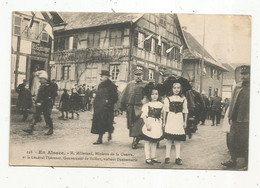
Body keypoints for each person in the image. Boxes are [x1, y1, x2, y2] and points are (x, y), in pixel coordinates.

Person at [222, 65, 250, 168]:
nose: (243, 76)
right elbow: (232, 102)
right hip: (235, 118)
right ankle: (232, 159)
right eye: (242, 74)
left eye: (246, 74)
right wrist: (229, 116)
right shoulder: (237, 86)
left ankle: (248, 162)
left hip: (247, 119)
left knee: (246, 140)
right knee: (233, 140)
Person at [120, 69, 148, 149]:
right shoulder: (130, 84)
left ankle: (135, 140)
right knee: (132, 124)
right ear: (134, 75)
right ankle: (136, 138)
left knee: (139, 124)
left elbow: (149, 95)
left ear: (142, 75)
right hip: (131, 107)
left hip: (141, 107)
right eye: (136, 75)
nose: (138, 76)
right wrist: (122, 106)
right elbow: (124, 95)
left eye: (140, 75)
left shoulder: (146, 84)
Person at [163, 81, 188, 165]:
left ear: (181, 89)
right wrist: (164, 122)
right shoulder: (168, 98)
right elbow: (165, 111)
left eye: (178, 88)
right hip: (170, 118)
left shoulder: (183, 99)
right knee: (169, 139)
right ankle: (167, 157)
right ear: (172, 89)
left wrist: (185, 121)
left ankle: (178, 157)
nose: (176, 90)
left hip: (179, 119)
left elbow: (185, 111)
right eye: (174, 88)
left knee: (178, 139)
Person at [23, 71, 54, 135]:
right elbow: (39, 95)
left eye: (41, 79)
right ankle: (30, 128)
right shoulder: (41, 86)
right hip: (40, 104)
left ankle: (51, 129)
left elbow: (47, 96)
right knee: (35, 115)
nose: (39, 80)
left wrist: (41, 103)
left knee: (47, 117)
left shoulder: (47, 86)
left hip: (45, 104)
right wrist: (35, 99)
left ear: (45, 79)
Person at [91, 70, 118, 144]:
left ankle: (108, 134)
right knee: (99, 123)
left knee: (107, 123)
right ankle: (100, 139)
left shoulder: (112, 86)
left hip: (107, 108)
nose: (101, 78)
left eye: (102, 77)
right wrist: (95, 104)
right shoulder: (100, 85)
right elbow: (97, 95)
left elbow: (115, 97)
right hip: (99, 108)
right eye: (101, 76)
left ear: (107, 77)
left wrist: (108, 102)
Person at [141, 84, 163, 165]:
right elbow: (143, 116)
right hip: (149, 123)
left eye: (156, 94)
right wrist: (147, 125)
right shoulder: (147, 105)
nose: (154, 96)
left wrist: (162, 123)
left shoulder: (160, 104)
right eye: (153, 94)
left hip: (157, 124)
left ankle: (153, 157)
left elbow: (162, 115)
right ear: (149, 95)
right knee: (147, 141)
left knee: (154, 141)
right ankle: (147, 157)